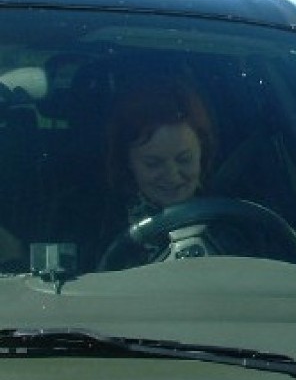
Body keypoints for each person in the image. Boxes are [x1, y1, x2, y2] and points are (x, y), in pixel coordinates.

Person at [49, 74, 217, 270]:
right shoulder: (84, 219)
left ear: (202, 153)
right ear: (127, 162)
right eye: (153, 164)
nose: (172, 175)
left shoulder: (236, 217)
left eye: (184, 159)